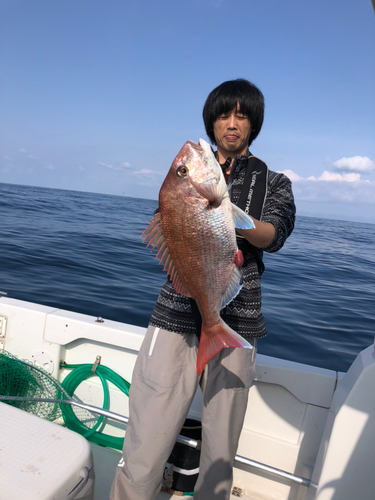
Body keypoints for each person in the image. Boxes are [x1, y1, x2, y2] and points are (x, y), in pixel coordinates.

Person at [110, 79, 296, 500]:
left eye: (242, 115)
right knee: (143, 443)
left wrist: (235, 220)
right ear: (211, 123)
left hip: (237, 320)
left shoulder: (276, 182)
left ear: (254, 124)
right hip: (175, 312)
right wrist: (206, 205)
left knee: (219, 455)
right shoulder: (189, 178)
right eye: (223, 115)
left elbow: (276, 233)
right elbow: (174, 230)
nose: (232, 123)